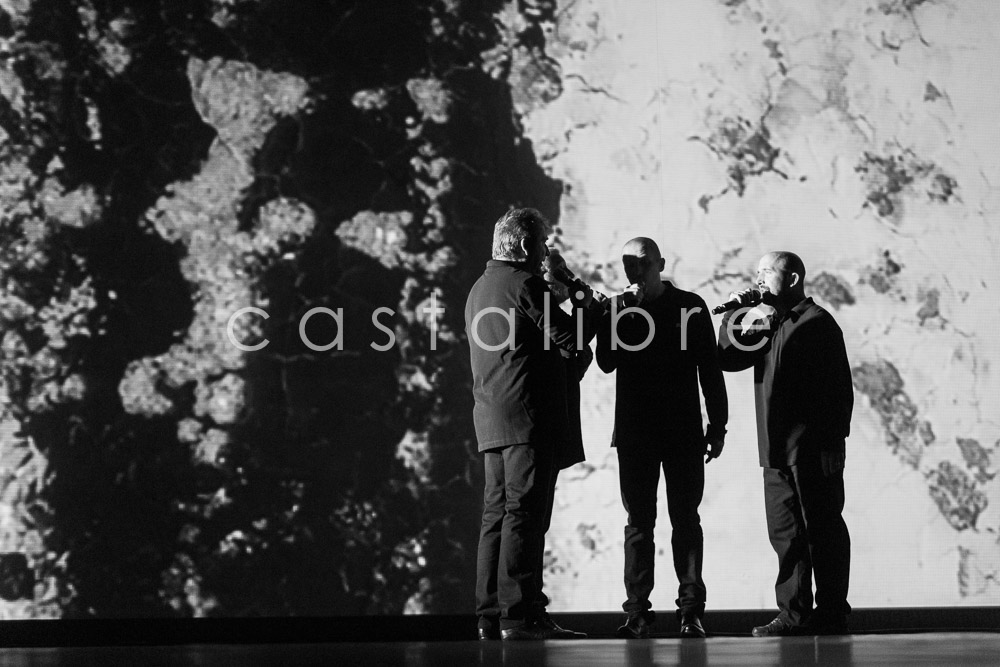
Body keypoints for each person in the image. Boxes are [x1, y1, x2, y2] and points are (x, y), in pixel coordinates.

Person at [466, 208, 599, 641]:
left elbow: (530, 339)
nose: (544, 251)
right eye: (542, 243)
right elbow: (572, 337)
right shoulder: (525, 285)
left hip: (492, 419)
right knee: (525, 515)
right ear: (525, 245)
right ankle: (521, 616)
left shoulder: (480, 288)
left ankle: (490, 616)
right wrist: (582, 298)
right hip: (527, 418)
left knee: (496, 515)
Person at [596, 237, 728, 639]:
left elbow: (710, 369)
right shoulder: (617, 308)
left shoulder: (690, 306)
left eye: (642, 263)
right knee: (639, 522)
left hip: (682, 431)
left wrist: (717, 425)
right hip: (635, 433)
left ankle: (691, 612)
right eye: (628, 264)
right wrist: (622, 315)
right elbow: (606, 361)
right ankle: (637, 612)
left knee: (685, 520)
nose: (635, 271)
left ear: (660, 264)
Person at [716, 251, 853, 636]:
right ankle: (793, 615)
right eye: (757, 272)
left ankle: (831, 613)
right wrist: (735, 312)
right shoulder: (766, 323)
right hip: (774, 451)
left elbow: (839, 388)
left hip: (812, 449)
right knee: (786, 535)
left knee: (823, 530)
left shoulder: (819, 322)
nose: (759, 278)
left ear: (792, 279)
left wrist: (834, 441)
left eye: (767, 272)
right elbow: (727, 356)